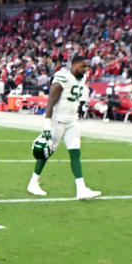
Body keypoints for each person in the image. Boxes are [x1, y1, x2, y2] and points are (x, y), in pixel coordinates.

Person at [27, 55, 101, 200]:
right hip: (58, 121)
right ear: (74, 65)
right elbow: (50, 102)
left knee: (75, 154)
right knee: (47, 151)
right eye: (83, 66)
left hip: (72, 121)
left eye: (87, 66)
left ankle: (81, 189)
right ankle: (33, 183)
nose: (85, 69)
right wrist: (47, 125)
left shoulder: (82, 79)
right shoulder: (63, 76)